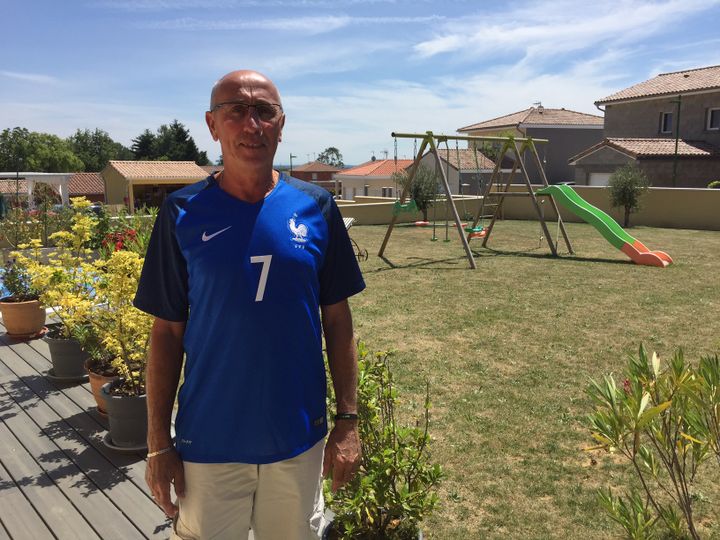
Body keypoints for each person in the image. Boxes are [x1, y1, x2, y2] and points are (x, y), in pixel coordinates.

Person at [134, 69, 366, 539]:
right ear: (212, 124)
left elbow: (338, 323)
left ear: (281, 125)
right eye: (236, 110)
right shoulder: (181, 213)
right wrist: (159, 442)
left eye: (264, 111)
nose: (251, 124)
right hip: (209, 442)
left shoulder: (316, 208)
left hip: (297, 441)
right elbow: (166, 332)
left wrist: (347, 422)